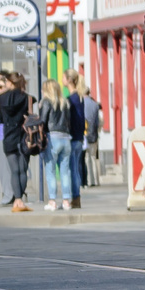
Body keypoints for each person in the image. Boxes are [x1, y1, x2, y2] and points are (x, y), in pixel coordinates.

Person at [0, 71, 31, 212]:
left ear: (10, 83)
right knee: (23, 170)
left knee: (14, 170)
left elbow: (0, 119)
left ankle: (16, 199)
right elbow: (29, 116)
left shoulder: (1, 99)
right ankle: (20, 198)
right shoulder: (26, 97)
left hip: (9, 137)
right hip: (23, 136)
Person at [37, 79, 72, 211]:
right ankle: (66, 201)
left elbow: (43, 121)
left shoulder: (46, 102)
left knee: (50, 171)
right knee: (65, 172)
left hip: (52, 138)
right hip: (65, 138)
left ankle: (52, 201)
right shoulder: (65, 103)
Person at [64, 69, 85, 207]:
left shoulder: (71, 99)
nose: (62, 80)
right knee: (76, 168)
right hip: (79, 137)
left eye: (63, 77)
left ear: (69, 80)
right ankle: (76, 198)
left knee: (73, 170)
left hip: (73, 137)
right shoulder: (80, 97)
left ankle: (75, 198)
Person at [82, 85, 102, 187]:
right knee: (94, 158)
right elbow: (98, 122)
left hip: (84, 134)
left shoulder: (81, 104)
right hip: (94, 134)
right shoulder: (95, 105)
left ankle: (89, 181)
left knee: (86, 159)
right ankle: (97, 180)